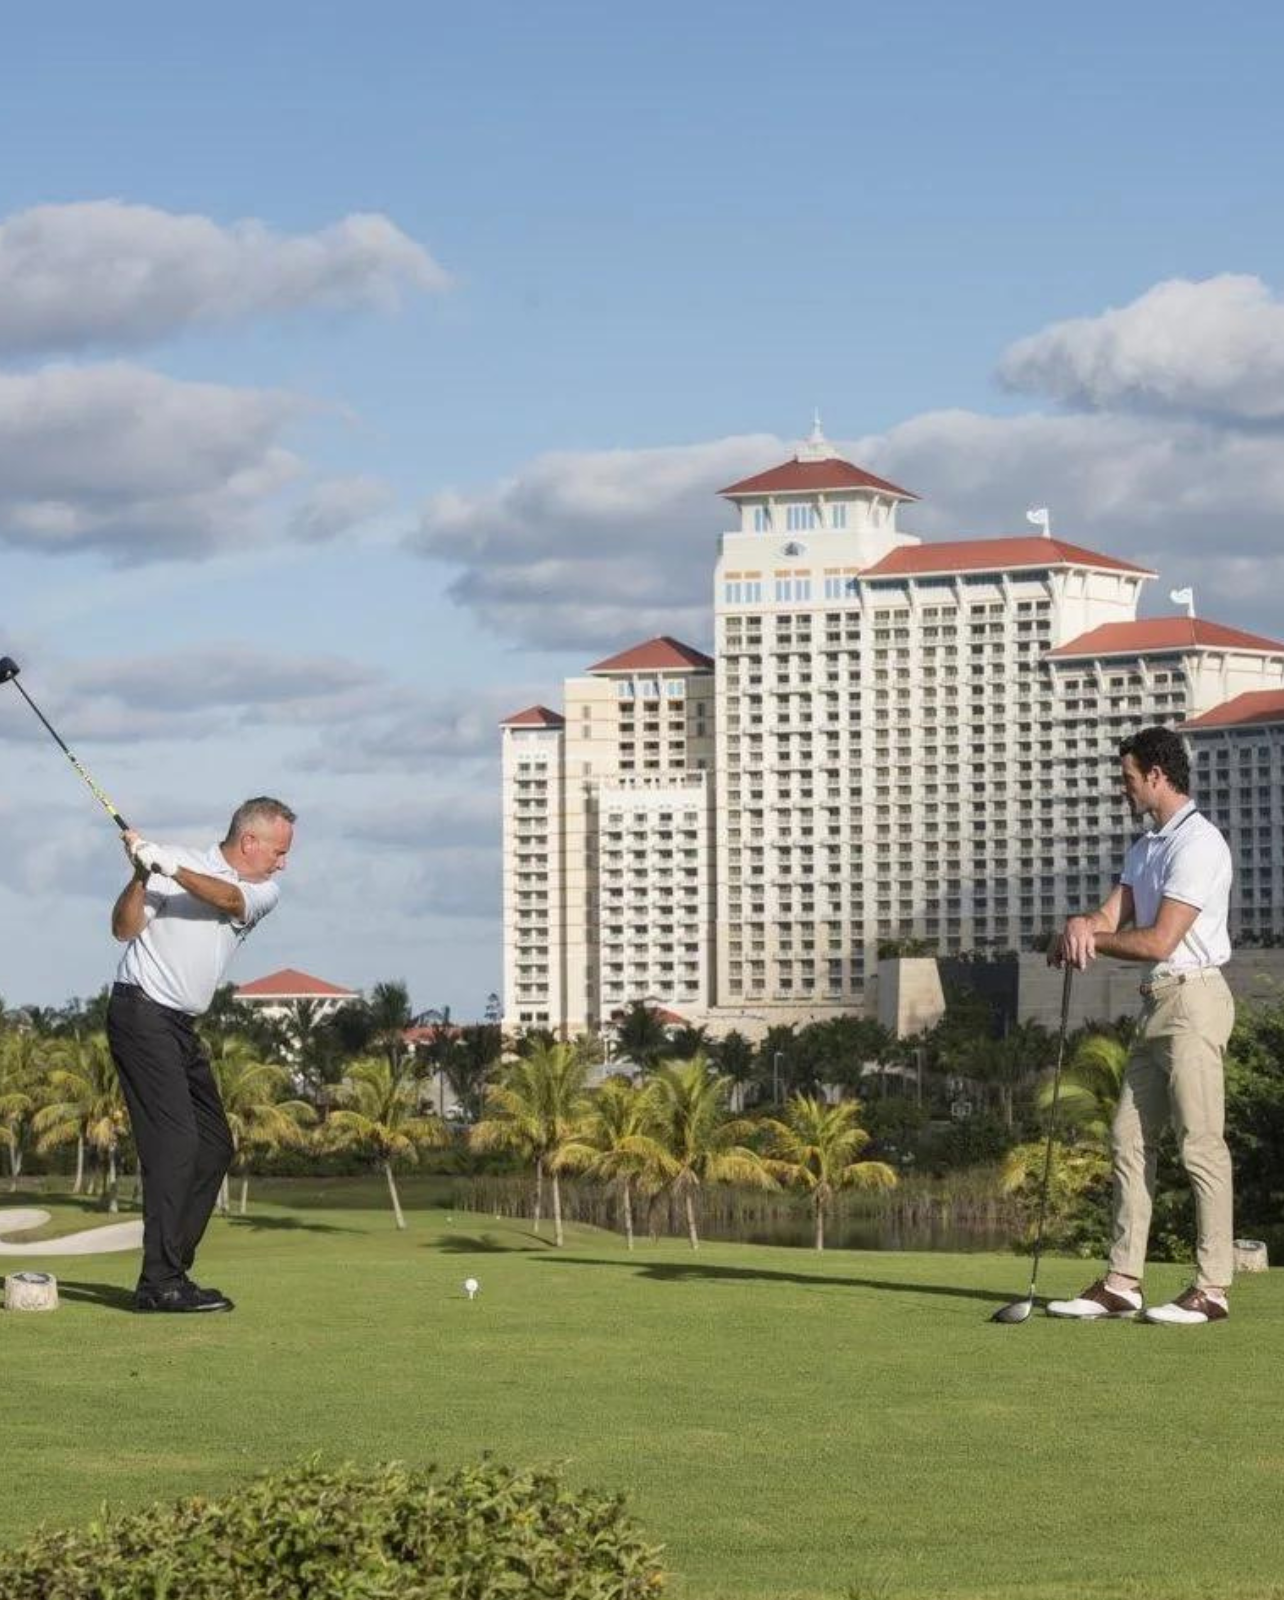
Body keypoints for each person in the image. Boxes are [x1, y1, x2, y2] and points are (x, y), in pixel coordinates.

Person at [1046, 727, 1235, 1326]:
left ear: (1156, 774)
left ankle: (1212, 1288)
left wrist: (1094, 940)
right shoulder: (1146, 845)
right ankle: (1123, 1281)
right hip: (1155, 1005)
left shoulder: (1199, 844)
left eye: (1127, 777)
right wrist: (1082, 925)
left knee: (1200, 1145)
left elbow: (1158, 938)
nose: (1122, 788)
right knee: (1129, 1138)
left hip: (1194, 1000)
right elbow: (1111, 914)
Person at [106, 797, 296, 1313]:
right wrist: (143, 875)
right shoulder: (171, 865)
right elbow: (123, 930)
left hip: (181, 1026)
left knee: (213, 1146)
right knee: (177, 1145)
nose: (283, 863)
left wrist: (167, 864)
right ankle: (160, 1282)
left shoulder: (261, 891)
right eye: (278, 851)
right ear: (249, 840)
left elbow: (228, 899)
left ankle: (170, 1272)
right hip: (140, 1013)